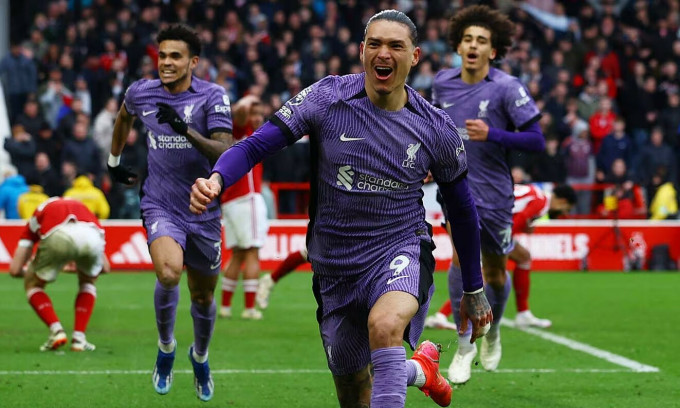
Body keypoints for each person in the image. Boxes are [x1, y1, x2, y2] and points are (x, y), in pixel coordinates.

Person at [190, 10, 493, 407]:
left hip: (399, 249)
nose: (384, 53)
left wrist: (473, 287)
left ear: (415, 56)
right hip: (334, 266)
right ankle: (420, 371)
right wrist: (216, 178)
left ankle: (415, 367)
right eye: (375, 44)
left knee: (384, 327)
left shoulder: (435, 127)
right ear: (361, 50)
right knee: (354, 388)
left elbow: (462, 210)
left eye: (396, 46)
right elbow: (255, 145)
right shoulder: (326, 98)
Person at [107, 24, 232, 402]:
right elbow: (124, 117)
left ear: (193, 62)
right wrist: (114, 161)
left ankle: (200, 356)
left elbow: (225, 152)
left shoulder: (213, 96)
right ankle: (165, 348)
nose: (166, 62)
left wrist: (187, 130)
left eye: (175, 56)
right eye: (161, 55)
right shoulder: (140, 92)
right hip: (160, 202)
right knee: (168, 272)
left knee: (202, 298)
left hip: (203, 207)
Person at [431, 5, 546, 384]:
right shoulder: (442, 83)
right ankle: (464, 345)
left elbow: (536, 141)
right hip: (456, 191)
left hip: (496, 195)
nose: (474, 46)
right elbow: (434, 132)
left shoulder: (507, 88)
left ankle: (492, 331)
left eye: (482, 41)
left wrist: (493, 134)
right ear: (458, 47)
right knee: (463, 264)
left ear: (493, 51)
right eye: (468, 39)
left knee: (495, 273)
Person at [426, 183, 577, 330]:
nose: (564, 213)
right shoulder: (541, 203)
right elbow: (515, 222)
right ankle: (441, 315)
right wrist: (502, 246)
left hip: (480, 217)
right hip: (483, 223)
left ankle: (523, 313)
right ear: (562, 201)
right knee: (484, 275)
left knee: (523, 257)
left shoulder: (536, 193)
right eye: (567, 209)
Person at [8, 197, 109, 352]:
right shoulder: (83, 209)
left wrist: (32, 273)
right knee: (88, 280)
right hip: (92, 236)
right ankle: (79, 339)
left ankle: (56, 331)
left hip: (57, 235)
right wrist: (78, 269)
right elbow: (105, 268)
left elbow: (14, 270)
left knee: (32, 284)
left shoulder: (37, 215)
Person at [219, 95, 268, 320]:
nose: (258, 118)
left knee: (237, 254)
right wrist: (248, 99)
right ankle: (249, 308)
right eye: (254, 114)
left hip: (230, 200)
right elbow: (238, 112)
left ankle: (225, 307)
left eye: (260, 114)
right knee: (252, 252)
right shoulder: (243, 131)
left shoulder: (244, 134)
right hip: (246, 198)